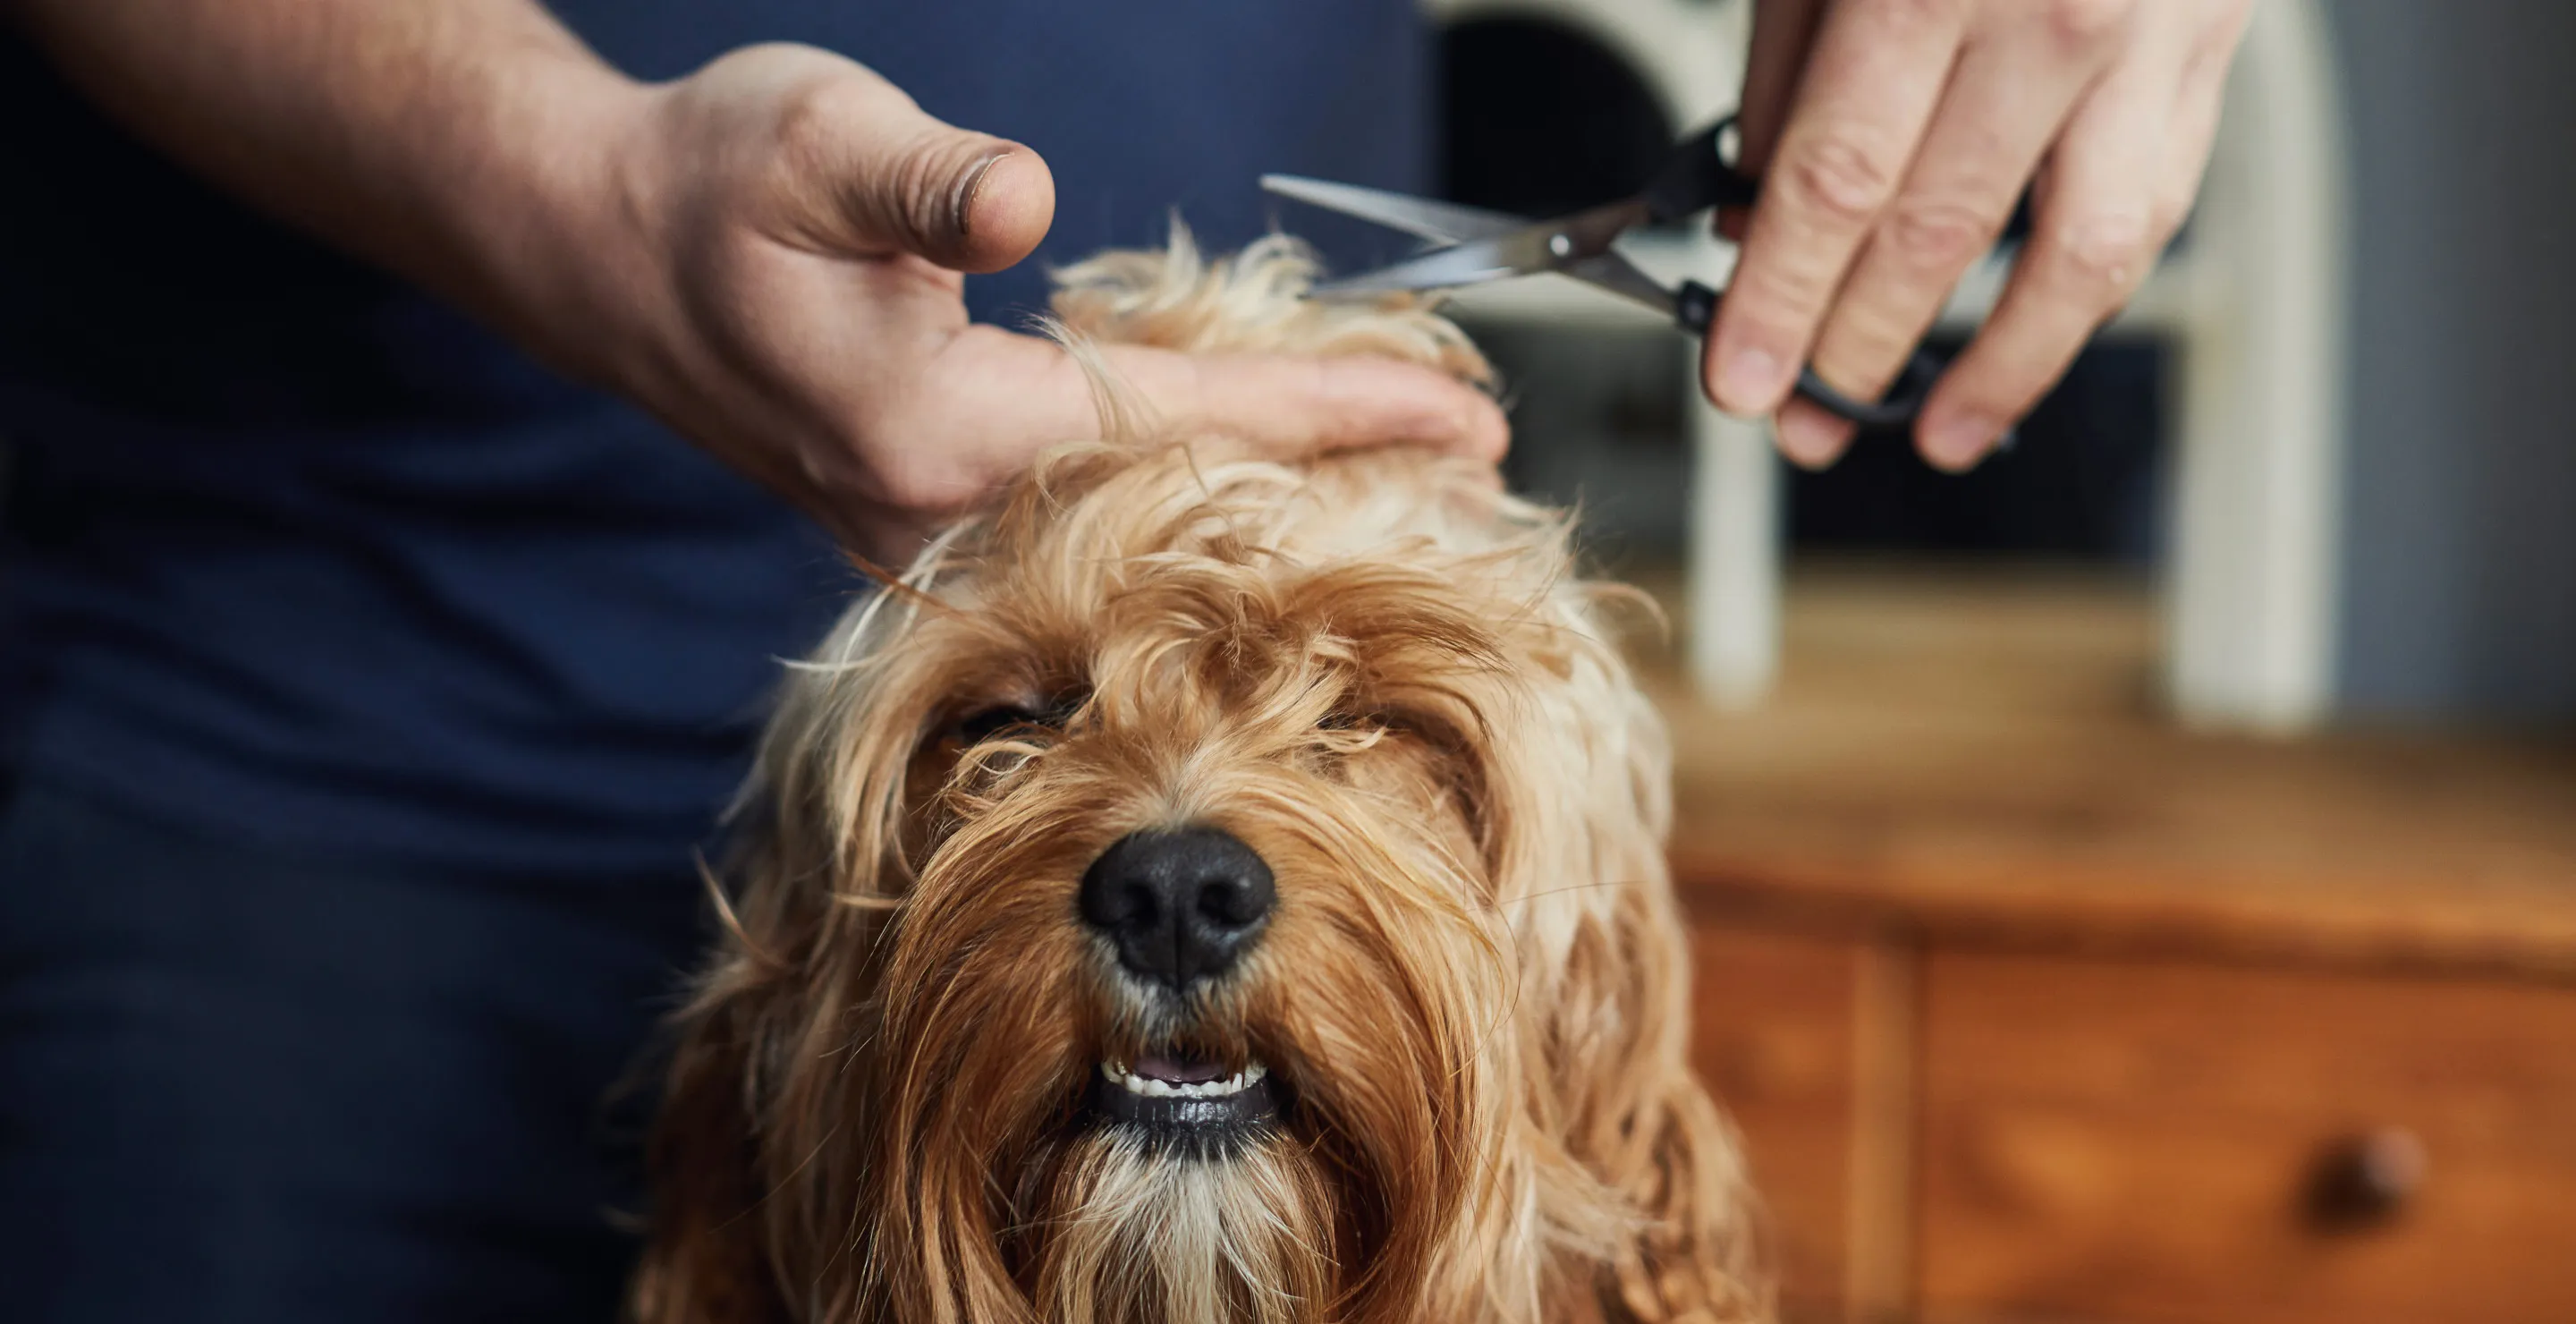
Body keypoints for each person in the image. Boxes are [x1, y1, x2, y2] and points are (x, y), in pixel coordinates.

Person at [0, 1, 2247, 1319]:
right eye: (1012, 731)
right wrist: (578, 184)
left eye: (1377, 728)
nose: (1181, 842)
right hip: (309, 741)